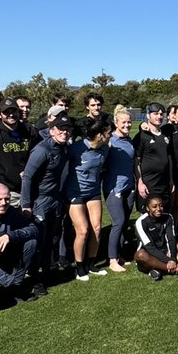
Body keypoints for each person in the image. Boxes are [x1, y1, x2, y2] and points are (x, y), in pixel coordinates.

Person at [21, 114, 72, 294]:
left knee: (52, 238)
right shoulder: (42, 150)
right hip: (40, 200)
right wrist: (26, 204)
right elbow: (27, 177)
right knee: (38, 240)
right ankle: (34, 279)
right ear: (52, 131)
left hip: (56, 198)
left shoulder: (65, 148)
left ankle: (46, 272)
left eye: (67, 130)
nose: (64, 133)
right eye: (60, 129)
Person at [65, 114, 111, 281]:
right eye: (108, 133)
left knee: (97, 229)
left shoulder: (105, 148)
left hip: (93, 192)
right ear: (100, 135)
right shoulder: (76, 148)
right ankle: (79, 267)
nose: (110, 135)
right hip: (74, 193)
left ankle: (91, 264)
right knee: (83, 231)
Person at [133, 194, 178, 279]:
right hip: (149, 255)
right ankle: (177, 269)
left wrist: (172, 258)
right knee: (140, 255)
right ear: (147, 208)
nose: (158, 209)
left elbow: (171, 239)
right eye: (154, 207)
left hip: (166, 253)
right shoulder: (141, 222)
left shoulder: (168, 217)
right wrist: (169, 261)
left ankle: (159, 270)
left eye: (161, 206)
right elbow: (149, 247)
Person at [103, 108, 136, 273]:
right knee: (118, 222)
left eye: (129, 122)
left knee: (123, 224)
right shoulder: (109, 141)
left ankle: (120, 254)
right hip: (113, 188)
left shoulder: (129, 140)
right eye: (123, 122)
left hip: (129, 188)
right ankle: (112, 259)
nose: (127, 124)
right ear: (116, 123)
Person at [134, 103, 174, 211]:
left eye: (161, 114)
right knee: (148, 215)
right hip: (149, 184)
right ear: (148, 115)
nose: (159, 117)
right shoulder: (142, 136)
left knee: (163, 212)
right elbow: (136, 160)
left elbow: (168, 158)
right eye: (156, 114)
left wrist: (171, 180)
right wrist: (140, 182)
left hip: (164, 184)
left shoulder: (166, 134)